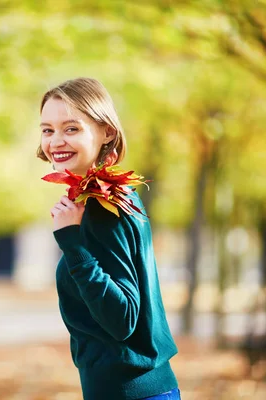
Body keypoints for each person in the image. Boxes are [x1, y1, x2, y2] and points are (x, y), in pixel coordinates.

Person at [37, 77, 181, 400]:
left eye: (71, 128)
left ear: (107, 132)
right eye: (48, 130)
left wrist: (72, 243)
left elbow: (124, 318)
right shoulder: (114, 195)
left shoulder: (103, 208)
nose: (56, 140)